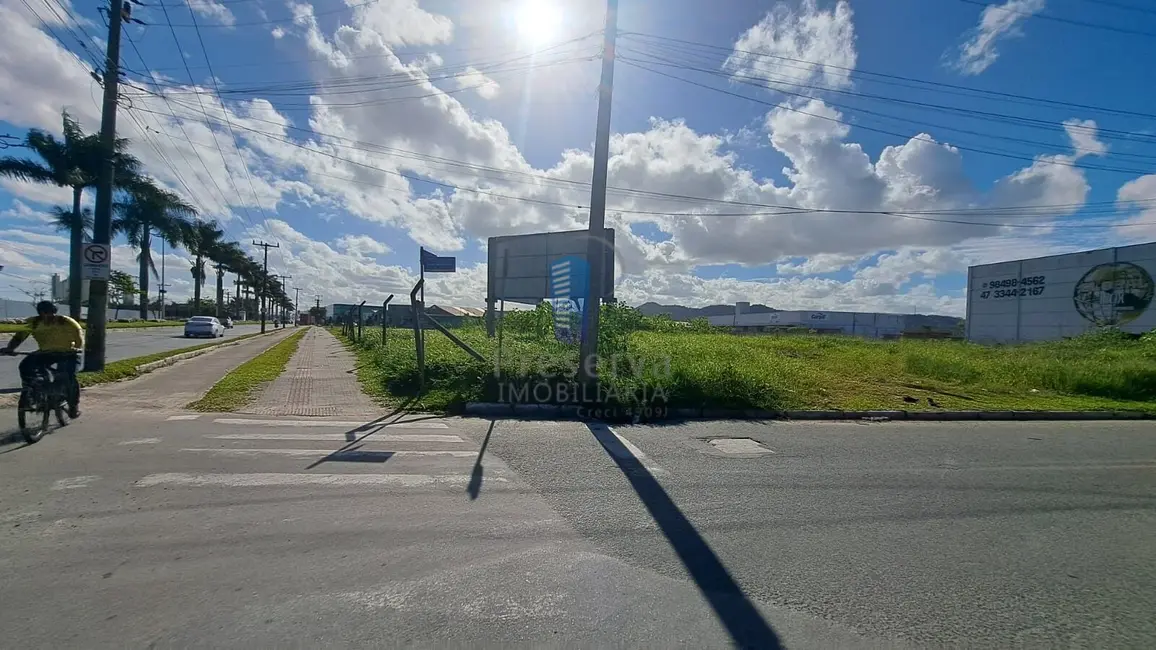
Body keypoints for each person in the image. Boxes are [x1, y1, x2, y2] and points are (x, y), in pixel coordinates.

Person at [1, 300, 84, 418]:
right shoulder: (33, 322)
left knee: (68, 375)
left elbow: (79, 337)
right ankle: (33, 391)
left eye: (51, 313)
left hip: (69, 353)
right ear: (40, 313)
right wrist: (10, 348)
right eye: (44, 313)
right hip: (46, 352)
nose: (48, 316)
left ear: (55, 312)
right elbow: (19, 337)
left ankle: (73, 406)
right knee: (25, 365)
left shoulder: (66, 321)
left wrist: (77, 348)